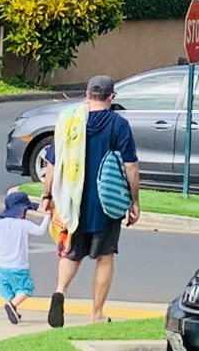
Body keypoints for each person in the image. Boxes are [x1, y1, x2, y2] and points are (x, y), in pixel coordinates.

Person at [47, 73, 139, 327]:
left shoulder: (70, 122)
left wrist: (49, 196)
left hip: (73, 201)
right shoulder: (118, 125)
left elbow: (53, 163)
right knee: (104, 256)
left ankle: (59, 291)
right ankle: (96, 313)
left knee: (72, 253)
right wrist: (134, 201)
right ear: (111, 97)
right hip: (105, 203)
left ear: (87, 95)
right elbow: (130, 167)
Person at [0, 187, 47, 324]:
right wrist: (48, 216)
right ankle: (12, 305)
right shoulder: (23, 224)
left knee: (7, 290)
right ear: (20, 210)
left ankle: (12, 308)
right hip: (19, 266)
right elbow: (41, 231)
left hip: (2, 265)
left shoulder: (0, 223)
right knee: (25, 289)